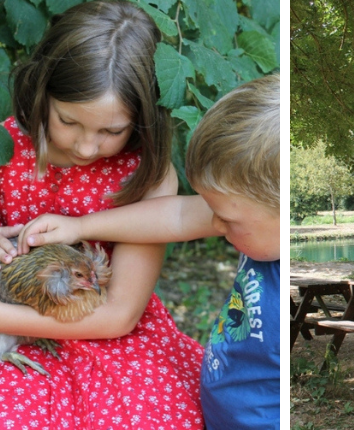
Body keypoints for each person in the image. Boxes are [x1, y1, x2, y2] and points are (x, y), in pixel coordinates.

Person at [16, 74, 281, 428]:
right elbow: (177, 214)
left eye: (227, 219)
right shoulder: (258, 222)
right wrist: (80, 227)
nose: (215, 226)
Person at [0, 1, 204, 428]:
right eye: (68, 121)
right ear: (42, 89)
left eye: (112, 130)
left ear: (143, 117)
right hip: (9, 326)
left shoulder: (146, 171)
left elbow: (119, 315)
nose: (87, 148)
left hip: (104, 333)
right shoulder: (4, 147)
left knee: (147, 416)